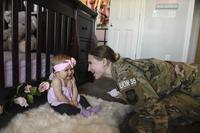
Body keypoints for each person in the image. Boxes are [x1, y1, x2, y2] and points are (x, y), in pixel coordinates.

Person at [88, 45, 200, 132]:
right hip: (183, 83)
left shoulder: (125, 77)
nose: (89, 68)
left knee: (137, 124)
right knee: (135, 117)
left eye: (90, 63)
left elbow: (156, 113)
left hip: (193, 85)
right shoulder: (119, 67)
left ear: (103, 61)